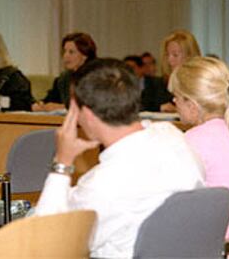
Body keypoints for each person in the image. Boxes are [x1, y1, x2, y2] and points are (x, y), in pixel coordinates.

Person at [35, 58, 204, 258]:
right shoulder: (173, 136)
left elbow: (43, 245)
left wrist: (62, 163)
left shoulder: (103, 184)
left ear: (87, 115)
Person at [169, 56, 229, 239]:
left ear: (192, 105)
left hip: (219, 248)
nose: (174, 102)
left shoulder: (191, 141)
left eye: (176, 97)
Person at [32, 32, 97, 111]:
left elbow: (92, 105)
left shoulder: (96, 77)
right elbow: (50, 100)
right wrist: (41, 105)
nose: (65, 56)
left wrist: (63, 107)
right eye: (64, 51)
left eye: (71, 52)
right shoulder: (64, 78)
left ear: (84, 55)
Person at [159, 29, 202, 112]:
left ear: (189, 56)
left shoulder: (200, 83)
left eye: (175, 55)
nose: (169, 60)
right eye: (167, 55)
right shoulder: (163, 82)